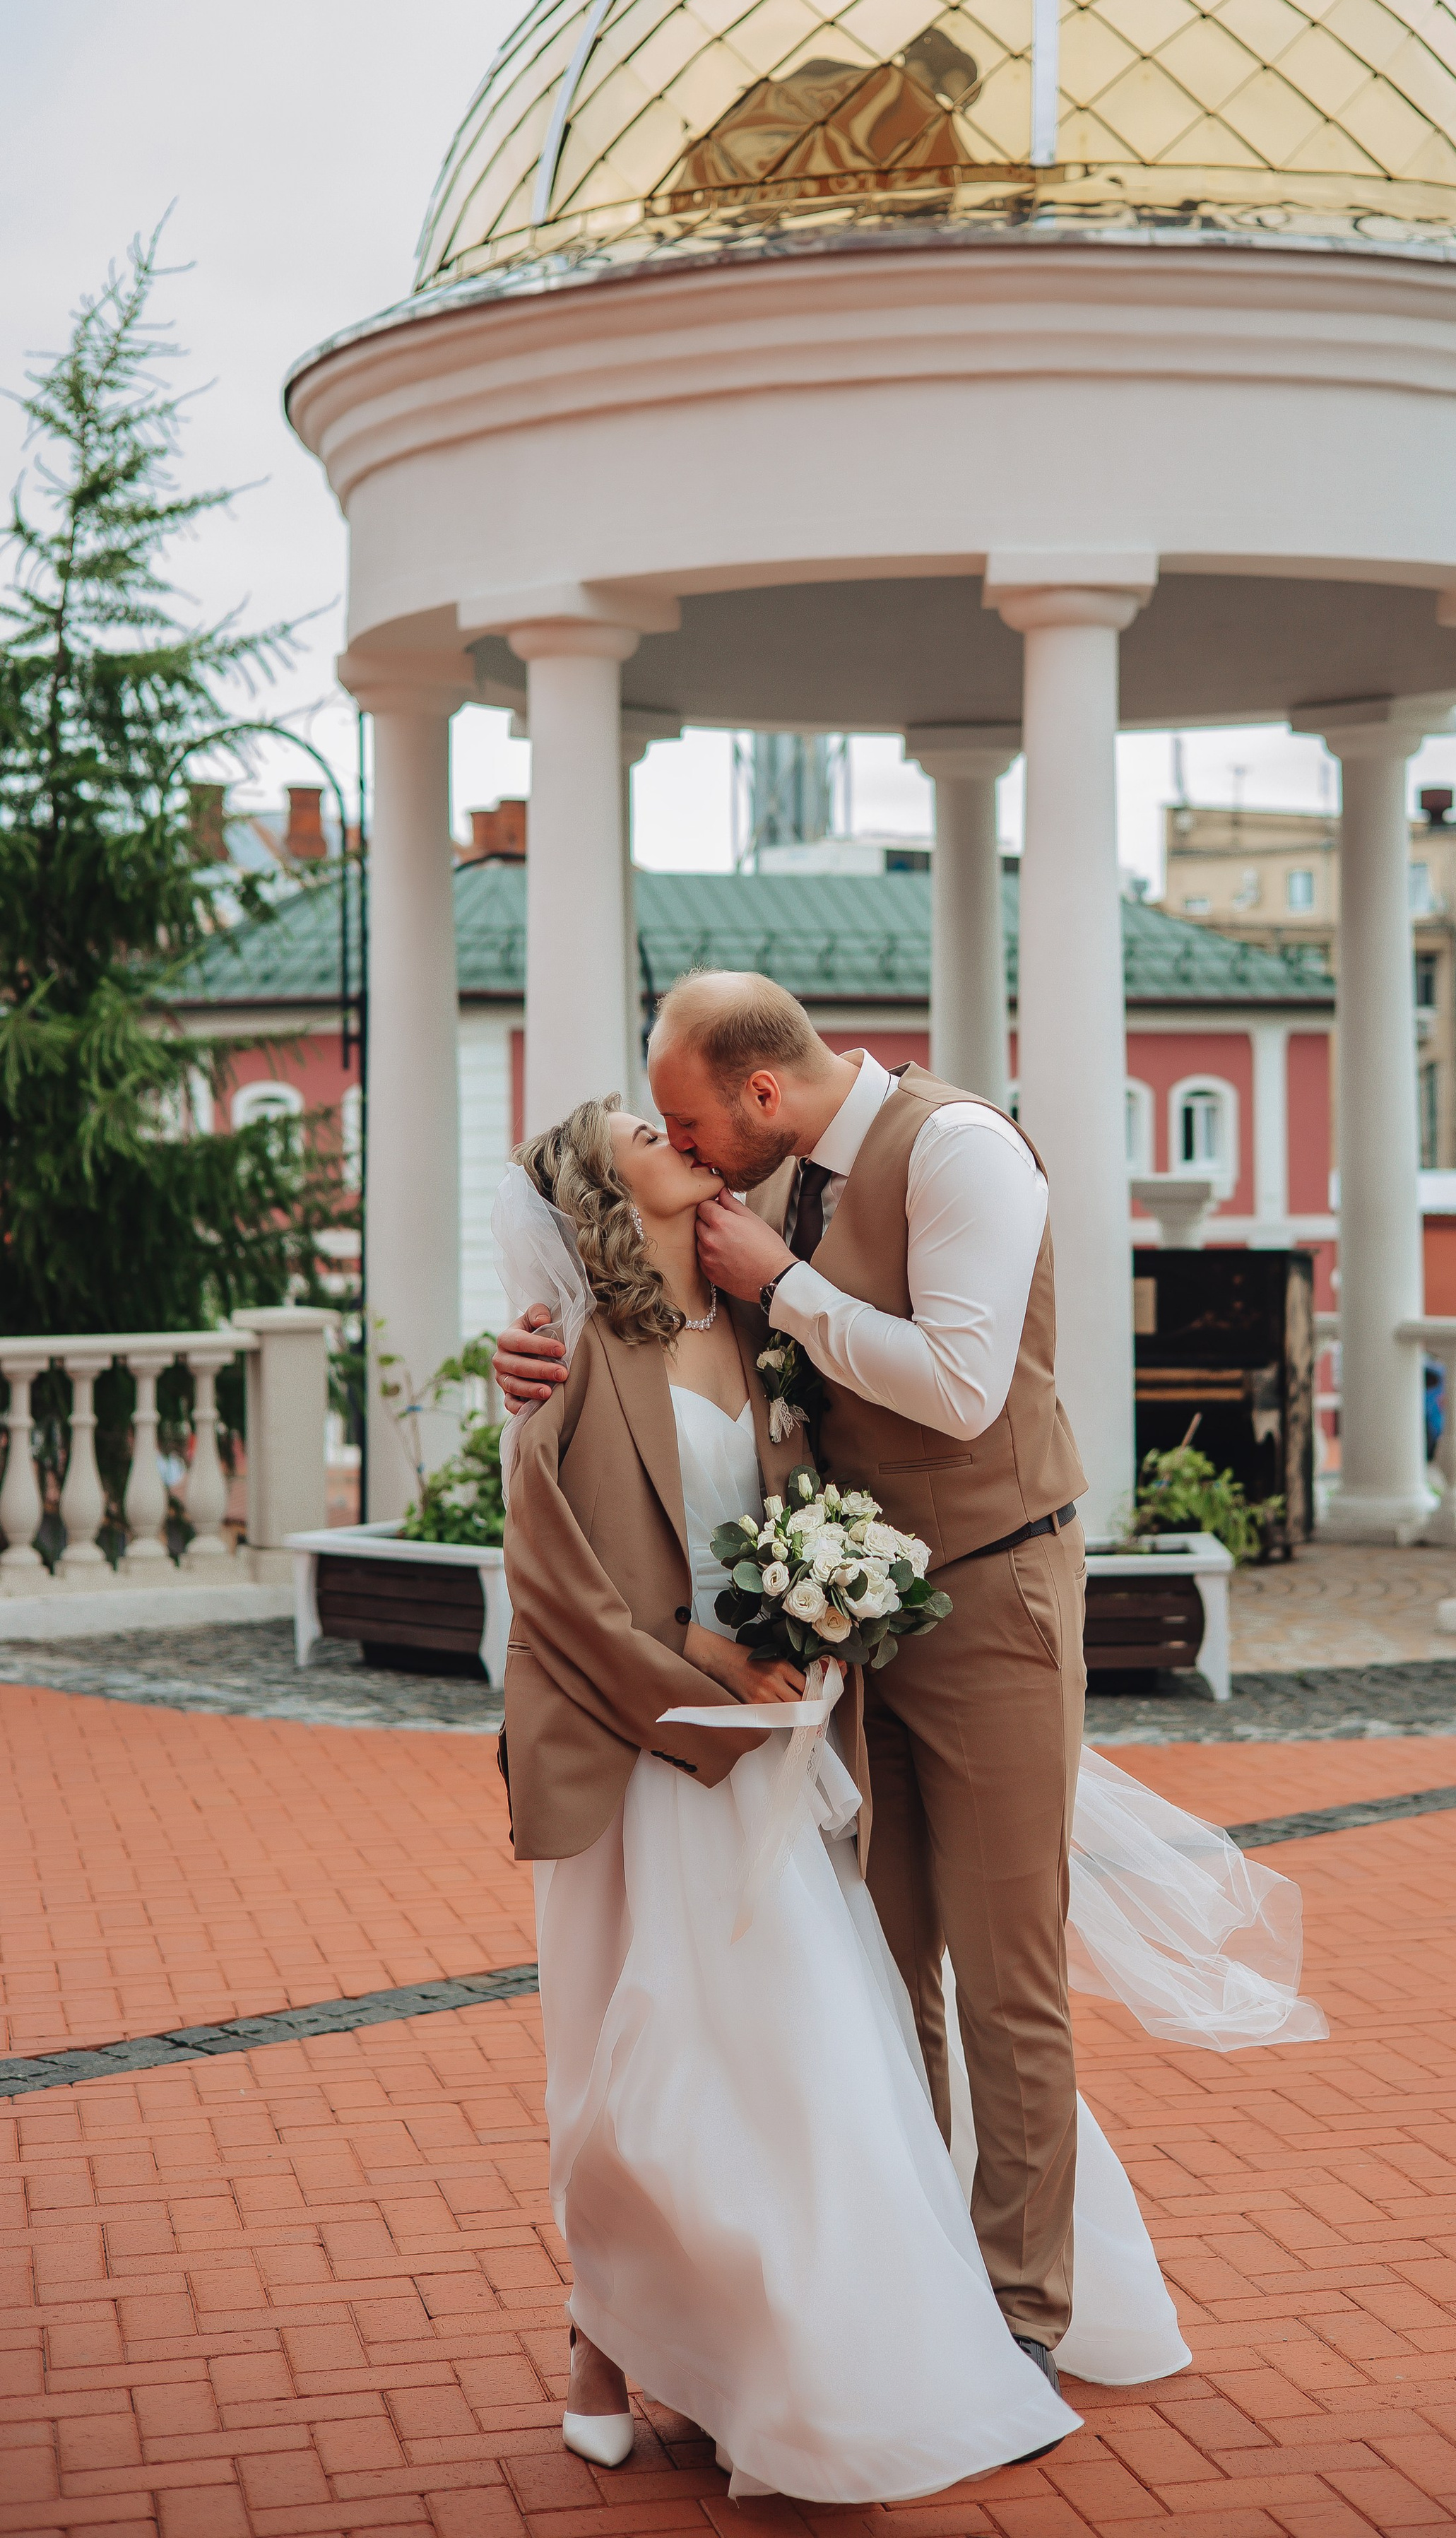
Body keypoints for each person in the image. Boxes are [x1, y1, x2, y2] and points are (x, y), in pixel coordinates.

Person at [499, 1079, 1326, 2500]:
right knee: (633, 2070)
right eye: (651, 1139)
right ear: (603, 1200)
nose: (681, 1144)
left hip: (787, 1752)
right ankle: (603, 2332)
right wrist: (705, 1659)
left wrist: (812, 1634)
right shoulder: (568, 1350)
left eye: (683, 1123)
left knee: (793, 2060)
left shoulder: (761, 1311)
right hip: (654, 1753)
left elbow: (858, 1429)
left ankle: (759, 2351)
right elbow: (556, 1575)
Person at [497, 974, 1092, 2377]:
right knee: (881, 1969)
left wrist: (789, 1286)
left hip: (994, 1591)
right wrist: (532, 1347)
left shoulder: (955, 1151)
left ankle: (1020, 2319)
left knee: (1006, 1969)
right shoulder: (761, 1201)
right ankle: (913, 2277)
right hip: (849, 1630)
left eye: (691, 1117)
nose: (682, 1143)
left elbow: (959, 1388)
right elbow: (669, 1366)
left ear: (761, 1095)